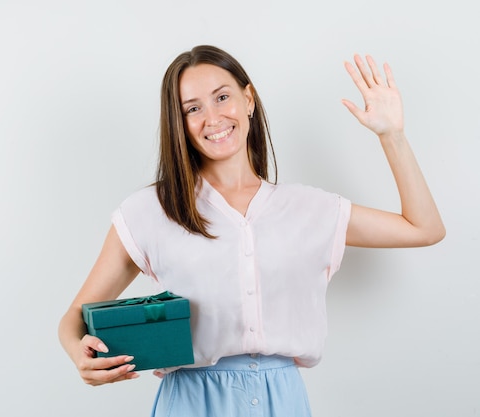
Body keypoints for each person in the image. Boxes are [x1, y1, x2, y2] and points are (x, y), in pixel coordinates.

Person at [58, 45, 445, 416]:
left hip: (283, 398)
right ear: (179, 123)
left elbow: (424, 228)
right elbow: (75, 315)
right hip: (192, 399)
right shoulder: (151, 210)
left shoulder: (310, 208)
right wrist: (79, 352)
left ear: (249, 99)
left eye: (222, 97)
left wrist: (392, 136)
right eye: (193, 108)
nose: (212, 118)